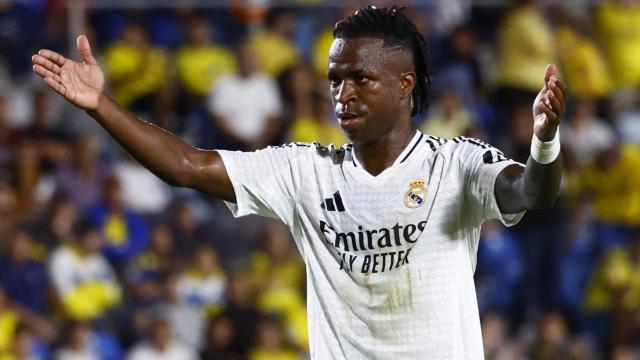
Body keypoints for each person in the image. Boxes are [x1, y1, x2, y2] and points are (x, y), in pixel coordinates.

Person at [31, 5, 566, 359]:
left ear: (405, 85)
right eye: (335, 79)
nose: (342, 94)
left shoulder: (456, 164)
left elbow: (533, 192)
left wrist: (543, 141)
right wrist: (101, 106)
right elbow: (187, 165)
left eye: (360, 78)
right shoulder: (304, 170)